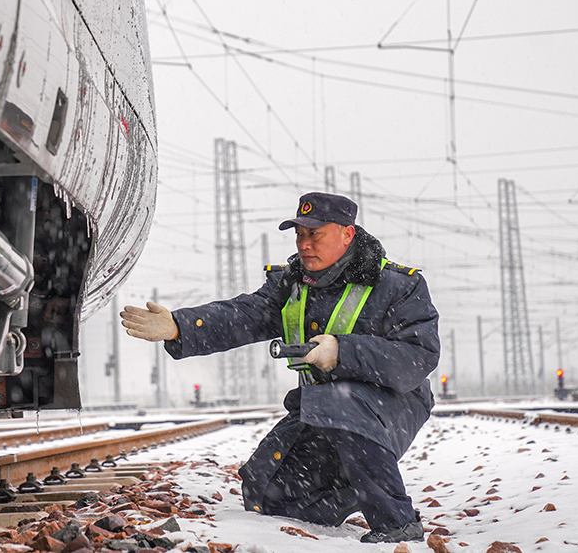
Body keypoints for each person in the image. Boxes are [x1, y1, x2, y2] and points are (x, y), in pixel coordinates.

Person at [120, 192, 440, 544]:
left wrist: (342, 352)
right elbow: (241, 315)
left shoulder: (398, 285)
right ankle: (356, 486)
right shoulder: (292, 284)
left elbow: (418, 357)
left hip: (394, 405)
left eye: (314, 234)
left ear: (347, 234)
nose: (304, 244)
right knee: (268, 490)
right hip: (325, 409)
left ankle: (397, 521)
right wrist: (181, 325)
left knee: (338, 402)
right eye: (299, 235)